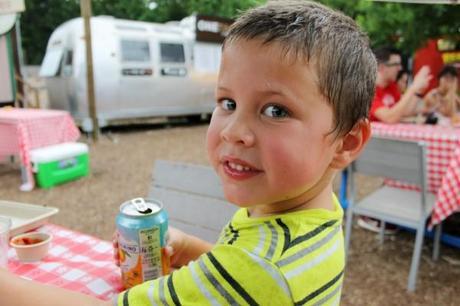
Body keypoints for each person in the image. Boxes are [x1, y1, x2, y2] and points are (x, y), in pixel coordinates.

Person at [0, 1, 376, 305]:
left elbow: (249, 273)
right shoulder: (313, 218)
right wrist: (189, 248)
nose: (233, 131)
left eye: (275, 111)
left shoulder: (256, 268)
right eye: (227, 102)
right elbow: (241, 274)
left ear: (346, 142)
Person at [369, 47, 432, 123]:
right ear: (381, 67)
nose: (400, 68)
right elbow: (389, 118)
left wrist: (418, 92)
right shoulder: (369, 91)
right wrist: (413, 88)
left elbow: (404, 112)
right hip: (374, 135)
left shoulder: (391, 86)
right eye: (396, 64)